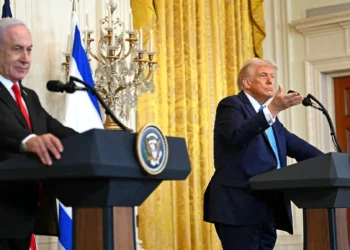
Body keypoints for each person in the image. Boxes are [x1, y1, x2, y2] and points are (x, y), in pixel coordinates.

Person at [203, 58, 324, 250]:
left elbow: (297, 146)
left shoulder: (270, 119)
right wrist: (273, 109)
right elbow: (236, 136)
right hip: (239, 207)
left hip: (267, 207)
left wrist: (331, 162)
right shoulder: (231, 105)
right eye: (263, 75)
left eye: (272, 77)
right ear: (247, 83)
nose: (270, 81)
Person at [0, 18, 77, 250]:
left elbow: (56, 130)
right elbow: (5, 128)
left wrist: (97, 142)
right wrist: (28, 140)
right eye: (17, 49)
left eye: (29, 50)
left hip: (25, 217)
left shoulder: (29, 96)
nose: (25, 58)